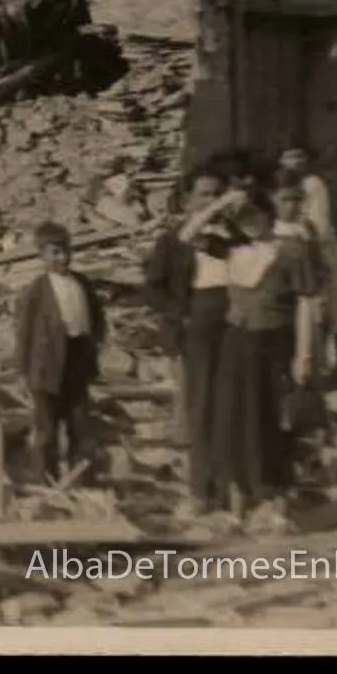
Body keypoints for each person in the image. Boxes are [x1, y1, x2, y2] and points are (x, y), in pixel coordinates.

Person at [206, 189, 319, 516]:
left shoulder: (292, 251)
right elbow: (188, 235)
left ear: (268, 214)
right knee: (235, 417)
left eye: (254, 215)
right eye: (242, 219)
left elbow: (305, 302)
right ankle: (239, 492)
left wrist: (304, 355)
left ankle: (272, 491)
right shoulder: (233, 251)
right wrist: (222, 202)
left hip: (274, 344)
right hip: (237, 345)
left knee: (271, 417)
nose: (250, 223)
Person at [143, 168, 231, 500]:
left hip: (233, 328)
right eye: (204, 194)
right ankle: (202, 488)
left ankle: (231, 486)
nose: (212, 201)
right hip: (195, 329)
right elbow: (153, 289)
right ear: (187, 200)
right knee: (200, 407)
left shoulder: (230, 237)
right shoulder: (172, 241)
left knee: (232, 405)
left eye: (217, 194)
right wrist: (180, 315)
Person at [15, 222, 107, 483]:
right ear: (42, 255)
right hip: (47, 365)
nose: (63, 258)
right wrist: (23, 372)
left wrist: (95, 343)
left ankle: (82, 478)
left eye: (66, 251)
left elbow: (97, 316)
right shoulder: (36, 290)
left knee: (79, 421)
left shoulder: (82, 283)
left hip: (77, 358)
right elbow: (24, 333)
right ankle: (45, 480)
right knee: (47, 427)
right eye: (55, 253)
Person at [278, 145, 337, 375]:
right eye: (290, 156)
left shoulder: (313, 184)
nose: (295, 161)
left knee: (334, 304)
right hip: (294, 246)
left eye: (300, 156)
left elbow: (320, 225)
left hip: (319, 247)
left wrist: (306, 242)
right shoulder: (279, 184)